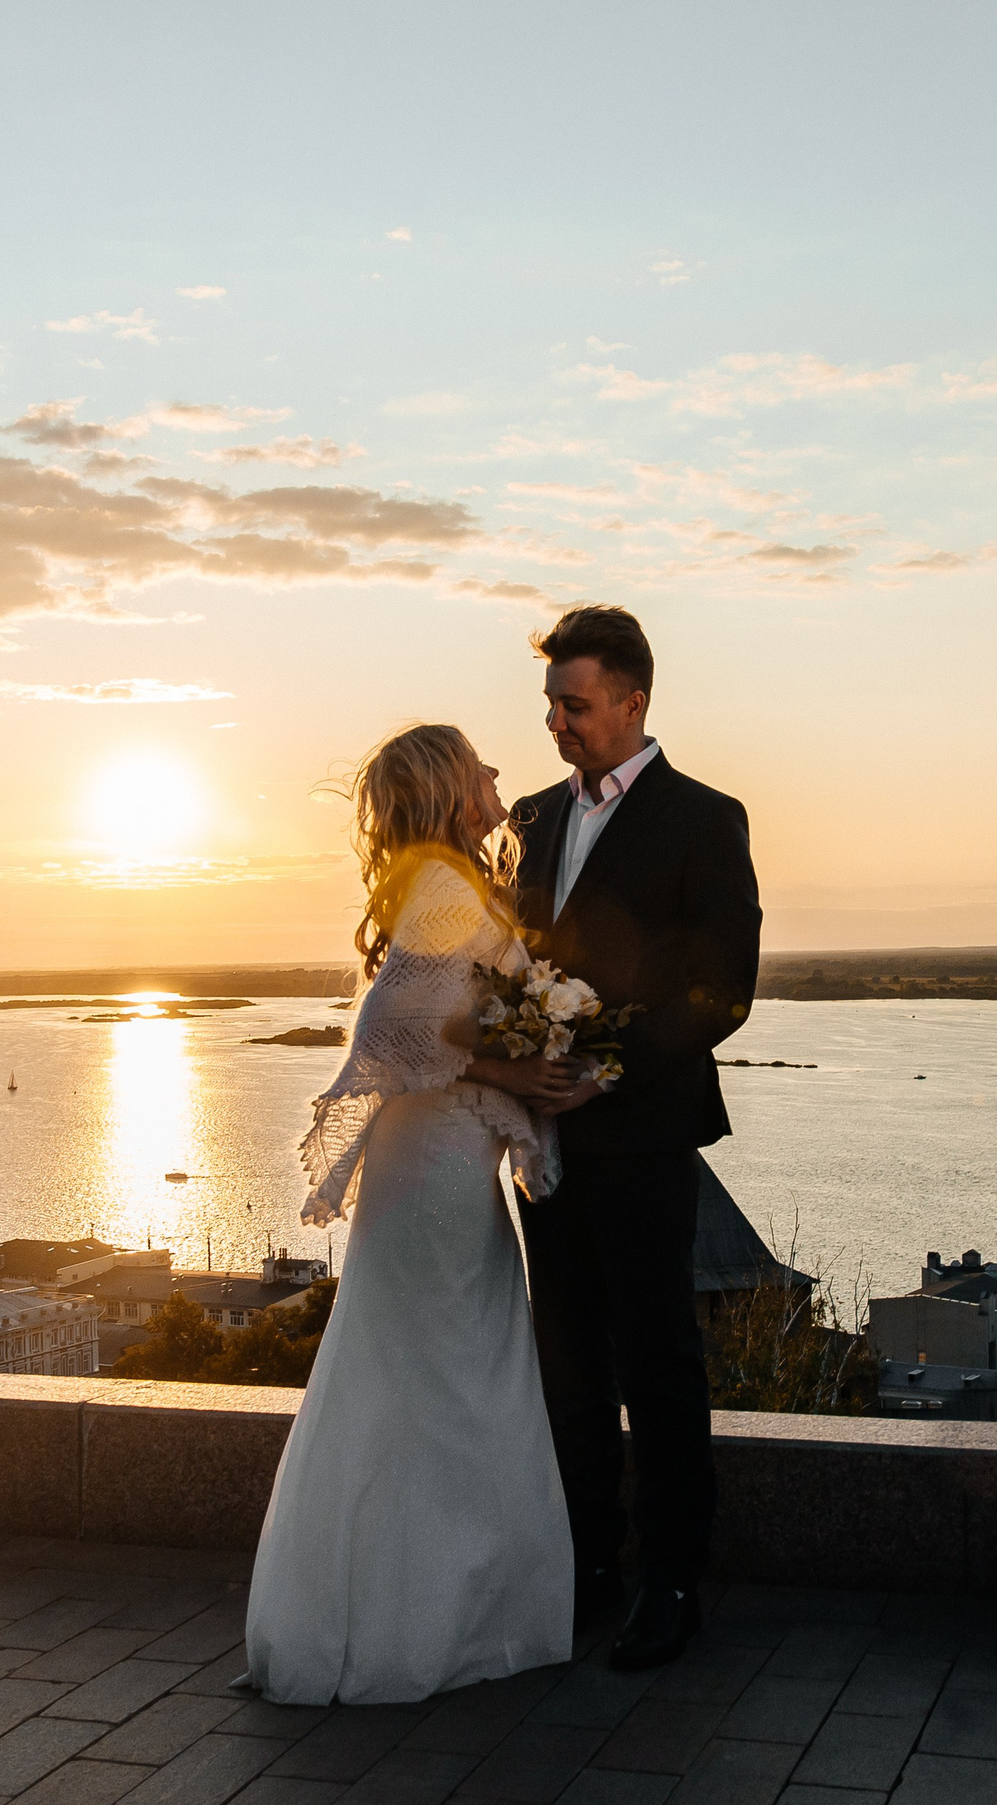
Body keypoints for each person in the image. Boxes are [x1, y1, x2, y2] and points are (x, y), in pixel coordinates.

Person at [242, 723, 579, 1705]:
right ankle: (423, 1626)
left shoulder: (438, 882)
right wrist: (512, 1067)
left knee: (422, 1375)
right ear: (448, 788)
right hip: (430, 1171)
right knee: (446, 1378)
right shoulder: (439, 885)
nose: (497, 776)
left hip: (436, 1159)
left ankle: (391, 1613)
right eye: (480, 765)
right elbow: (393, 1030)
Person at [513, 605, 762, 1671]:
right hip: (543, 1148)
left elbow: (724, 988)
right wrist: (521, 1064)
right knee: (562, 1363)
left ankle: (671, 1581)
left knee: (657, 1363)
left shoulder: (705, 819)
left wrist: (602, 1069)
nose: (557, 725)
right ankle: (588, 1565)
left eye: (573, 705)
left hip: (646, 1139)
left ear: (631, 701)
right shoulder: (526, 817)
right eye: (550, 707)